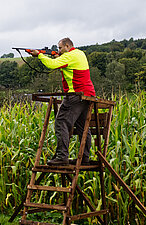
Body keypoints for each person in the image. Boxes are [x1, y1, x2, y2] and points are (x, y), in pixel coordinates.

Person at [27, 37, 96, 166]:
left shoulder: (70, 56)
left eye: (60, 48)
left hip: (75, 95)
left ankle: (62, 156)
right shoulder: (80, 53)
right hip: (87, 96)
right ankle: (85, 157)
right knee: (83, 128)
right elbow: (60, 63)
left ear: (67, 46)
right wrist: (55, 56)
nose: (59, 50)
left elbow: (51, 65)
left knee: (61, 123)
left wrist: (40, 55)